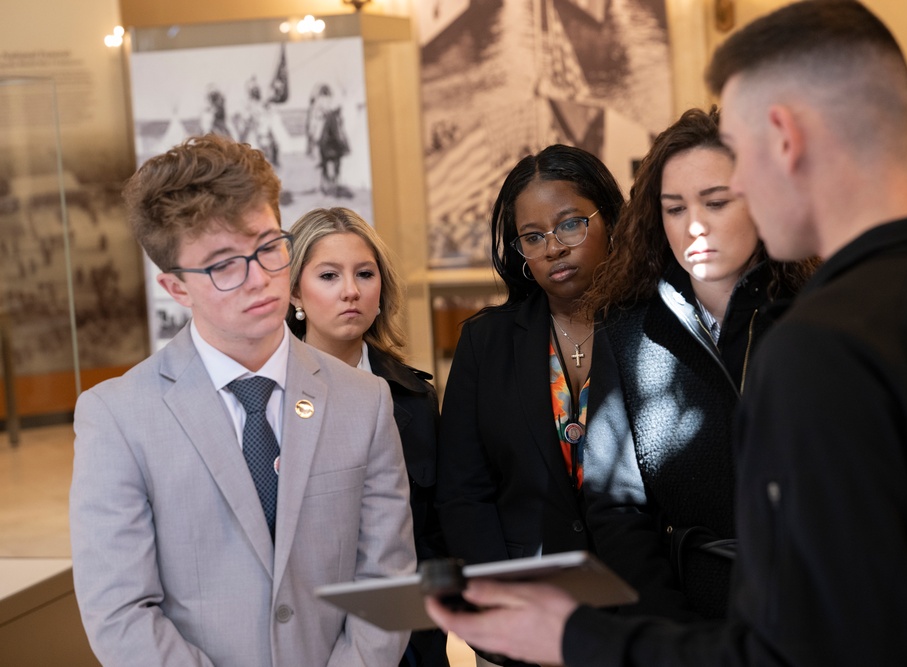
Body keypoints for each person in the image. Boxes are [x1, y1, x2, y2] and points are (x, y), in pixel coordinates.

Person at [424, 2, 907, 665]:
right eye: (675, 205)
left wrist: (573, 635)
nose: (741, 188)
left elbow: (797, 647)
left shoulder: (814, 343)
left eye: (738, 168)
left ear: (786, 137)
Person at [69, 134, 416, 666]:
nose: (259, 280)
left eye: (268, 246)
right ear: (176, 287)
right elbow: (120, 611)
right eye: (223, 265)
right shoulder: (117, 416)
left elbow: (387, 583)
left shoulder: (364, 401)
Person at [580, 106, 815, 621]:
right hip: (689, 614)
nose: (694, 227)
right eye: (674, 208)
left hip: (816, 611)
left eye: (716, 202)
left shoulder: (820, 317)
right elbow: (615, 507)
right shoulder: (626, 331)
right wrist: (671, 631)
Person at [435, 144, 621, 663]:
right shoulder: (486, 343)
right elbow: (463, 493)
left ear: (609, 218)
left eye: (570, 225)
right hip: (527, 609)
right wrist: (496, 612)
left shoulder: (653, 327)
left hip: (646, 609)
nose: (554, 248)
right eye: (532, 237)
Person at [286, 206, 450, 667]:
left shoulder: (415, 397)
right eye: (328, 276)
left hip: (408, 638)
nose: (351, 291)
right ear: (294, 290)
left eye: (364, 274)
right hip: (303, 636)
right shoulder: (266, 399)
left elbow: (432, 533)